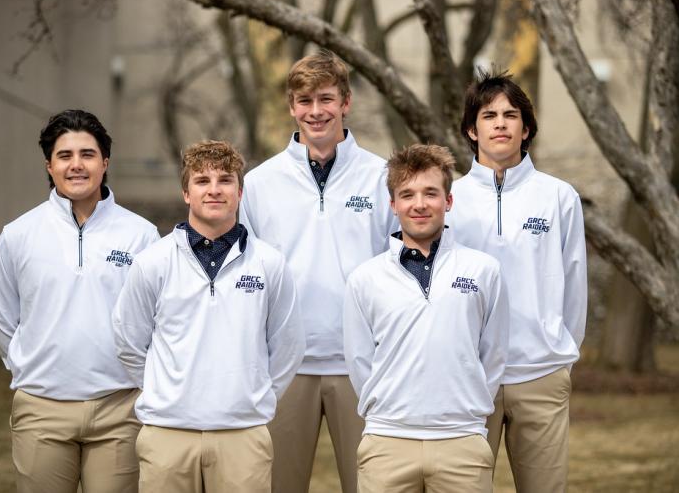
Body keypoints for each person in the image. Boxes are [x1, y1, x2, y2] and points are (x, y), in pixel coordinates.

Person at [239, 50, 398, 493]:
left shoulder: (382, 177)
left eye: (325, 99)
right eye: (304, 100)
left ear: (346, 102)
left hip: (363, 364)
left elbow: (401, 269)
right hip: (285, 365)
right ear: (291, 106)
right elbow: (247, 278)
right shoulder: (259, 183)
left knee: (372, 486)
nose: (315, 111)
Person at [112, 140, 304, 493]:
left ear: (240, 191)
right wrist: (165, 390)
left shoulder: (269, 263)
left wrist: (252, 395)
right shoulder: (153, 262)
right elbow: (129, 342)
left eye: (225, 180)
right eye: (202, 181)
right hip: (168, 434)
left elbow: (288, 345)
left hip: (243, 436)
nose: (214, 190)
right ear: (186, 192)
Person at [0, 109, 160, 493]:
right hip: (41, 409)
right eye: (65, 156)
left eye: (87, 154)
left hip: (120, 409)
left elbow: (154, 320)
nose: (76, 165)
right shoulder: (18, 235)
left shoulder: (142, 236)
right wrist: (27, 366)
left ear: (105, 163)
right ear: (49, 165)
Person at [449, 70, 588, 492]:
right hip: (468, 376)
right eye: (489, 115)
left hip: (539, 373)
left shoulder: (558, 197)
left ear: (526, 128)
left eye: (511, 114)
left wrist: (559, 351)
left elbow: (574, 280)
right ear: (472, 130)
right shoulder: (449, 199)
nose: (501, 123)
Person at [343, 144, 508, 493]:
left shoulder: (483, 271)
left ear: (448, 201)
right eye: (407, 194)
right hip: (387, 443)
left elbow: (492, 355)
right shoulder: (365, 278)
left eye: (430, 193)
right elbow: (360, 362)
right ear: (393, 205)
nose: (419, 204)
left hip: (462, 441)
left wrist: (465, 407)